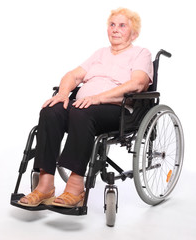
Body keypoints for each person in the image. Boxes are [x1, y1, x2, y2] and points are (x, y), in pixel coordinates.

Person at [18, 7, 153, 208]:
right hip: (85, 104)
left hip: (117, 109)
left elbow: (138, 84)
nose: (115, 29)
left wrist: (98, 98)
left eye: (122, 25)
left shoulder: (141, 53)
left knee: (82, 112)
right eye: (112, 24)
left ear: (134, 33)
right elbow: (72, 76)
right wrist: (63, 94)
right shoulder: (100, 53)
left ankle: (75, 186)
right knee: (51, 110)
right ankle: (45, 184)